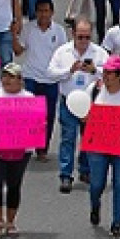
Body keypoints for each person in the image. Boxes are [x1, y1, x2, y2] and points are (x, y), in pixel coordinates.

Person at [84, 55, 120, 239]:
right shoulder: (94, 89)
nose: (106, 75)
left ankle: (117, 223)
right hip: (98, 146)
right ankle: (95, 204)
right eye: (105, 71)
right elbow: (83, 111)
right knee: (96, 183)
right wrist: (85, 118)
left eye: (110, 73)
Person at [48, 19, 108, 193]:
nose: (83, 41)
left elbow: (112, 72)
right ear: (73, 34)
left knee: (89, 138)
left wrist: (94, 71)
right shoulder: (62, 52)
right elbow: (51, 73)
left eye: (87, 37)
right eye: (80, 37)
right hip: (68, 101)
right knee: (68, 138)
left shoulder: (99, 52)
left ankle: (86, 170)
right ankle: (66, 175)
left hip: (91, 102)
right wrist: (69, 71)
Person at [0, 63, 34, 239]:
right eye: (4, 76)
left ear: (20, 80)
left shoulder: (29, 98)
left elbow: (35, 123)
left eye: (11, 76)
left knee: (14, 183)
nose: (7, 80)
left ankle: (11, 221)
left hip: (21, 148)